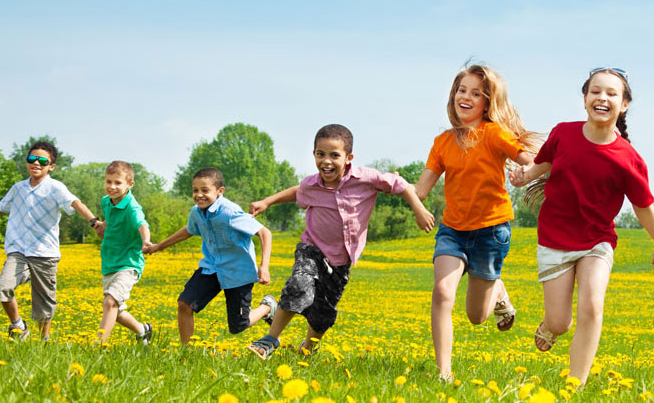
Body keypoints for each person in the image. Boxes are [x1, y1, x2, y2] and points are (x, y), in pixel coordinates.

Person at [510, 68, 654, 386]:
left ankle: (576, 383)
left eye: (612, 93)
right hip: (555, 236)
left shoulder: (628, 158)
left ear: (624, 104)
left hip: (597, 240)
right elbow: (546, 161)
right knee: (560, 321)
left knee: (592, 305)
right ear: (585, 98)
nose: (602, 98)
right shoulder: (563, 133)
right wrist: (525, 176)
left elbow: (643, 205)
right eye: (595, 91)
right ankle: (552, 326)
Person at [246, 124, 434, 359]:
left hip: (341, 260)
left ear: (348, 158)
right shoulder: (311, 185)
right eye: (320, 154)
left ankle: (308, 349)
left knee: (323, 313)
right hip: (311, 249)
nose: (326, 161)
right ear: (314, 154)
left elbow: (402, 185)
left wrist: (419, 210)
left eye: (334, 155)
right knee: (299, 286)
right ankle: (269, 340)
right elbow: (297, 191)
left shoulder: (367, 179)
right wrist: (267, 201)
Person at [413, 63, 541, 380]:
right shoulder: (442, 142)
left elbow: (532, 161)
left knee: (476, 316)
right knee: (442, 293)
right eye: (461, 90)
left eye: (476, 93)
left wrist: (527, 173)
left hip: (490, 232)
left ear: (487, 103)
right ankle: (444, 373)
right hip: (453, 231)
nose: (466, 97)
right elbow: (421, 189)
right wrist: (398, 193)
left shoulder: (493, 134)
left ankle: (497, 290)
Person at [0, 141, 103, 342]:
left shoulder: (55, 187)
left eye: (42, 160)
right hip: (18, 250)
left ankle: (44, 341)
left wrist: (94, 222)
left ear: (51, 166)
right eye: (32, 159)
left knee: (44, 302)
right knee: (3, 289)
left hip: (45, 254)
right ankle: (18, 325)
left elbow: (74, 203)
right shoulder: (18, 188)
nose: (36, 163)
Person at [145, 167, 277, 345]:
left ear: (219, 191)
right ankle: (186, 352)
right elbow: (188, 230)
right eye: (195, 190)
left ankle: (267, 308)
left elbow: (264, 233)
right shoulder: (196, 212)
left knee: (238, 325)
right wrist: (158, 246)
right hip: (211, 268)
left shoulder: (229, 212)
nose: (199, 195)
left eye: (205, 190)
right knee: (185, 304)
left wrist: (264, 266)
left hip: (237, 271)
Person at [95, 161, 153, 345]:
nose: (112, 187)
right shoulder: (106, 202)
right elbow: (111, 220)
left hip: (129, 264)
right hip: (110, 263)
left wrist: (146, 241)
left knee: (110, 302)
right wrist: (103, 225)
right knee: (116, 311)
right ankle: (142, 330)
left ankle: (97, 346)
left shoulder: (131, 207)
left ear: (130, 184)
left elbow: (142, 224)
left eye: (117, 183)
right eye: (108, 181)